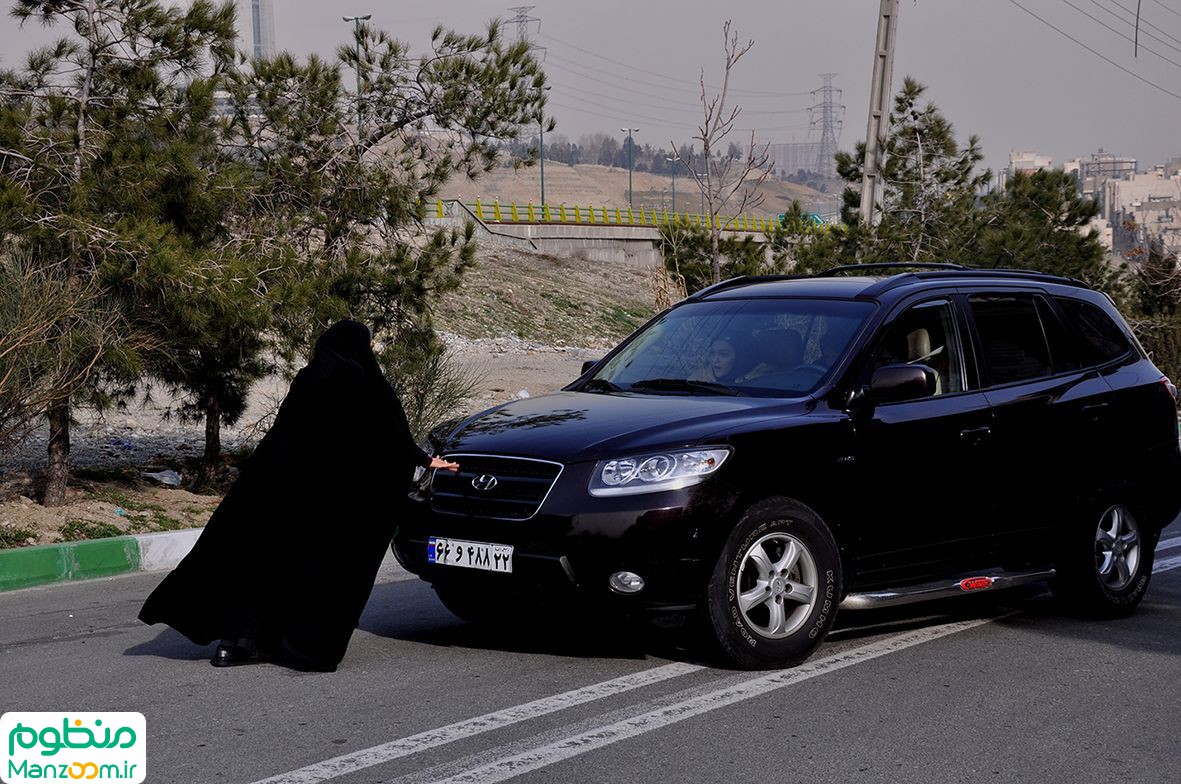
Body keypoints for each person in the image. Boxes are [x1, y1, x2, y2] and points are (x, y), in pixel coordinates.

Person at [138, 320, 459, 671]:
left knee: (257, 563)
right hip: (323, 500)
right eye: (367, 344)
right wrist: (426, 460)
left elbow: (282, 433)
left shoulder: (309, 377)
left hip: (274, 489)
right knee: (312, 570)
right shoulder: (361, 380)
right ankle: (295, 647)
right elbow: (387, 435)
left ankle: (233, 644)